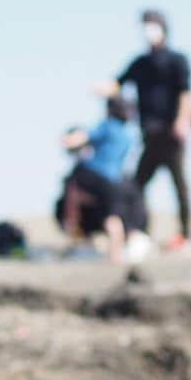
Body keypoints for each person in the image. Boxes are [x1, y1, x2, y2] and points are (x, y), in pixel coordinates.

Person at [99, 9, 191, 252]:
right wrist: (100, 88)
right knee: (137, 185)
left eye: (151, 25)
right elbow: (117, 83)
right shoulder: (140, 63)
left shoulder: (177, 60)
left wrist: (183, 121)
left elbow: (187, 93)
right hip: (149, 135)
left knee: (179, 185)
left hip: (171, 135)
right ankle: (141, 231)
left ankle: (186, 235)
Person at [57, 97, 147, 263]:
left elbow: (84, 135)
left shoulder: (108, 126)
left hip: (94, 174)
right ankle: (116, 257)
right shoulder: (128, 134)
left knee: (72, 192)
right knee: (113, 218)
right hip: (114, 181)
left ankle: (78, 237)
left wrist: (69, 140)